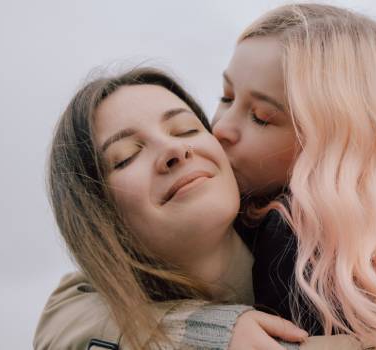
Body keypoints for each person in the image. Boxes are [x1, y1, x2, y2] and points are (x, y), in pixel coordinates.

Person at [36, 3, 376, 350]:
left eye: (262, 117)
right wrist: (209, 331)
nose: (218, 130)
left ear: (324, 144)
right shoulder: (191, 199)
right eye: (225, 98)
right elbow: (68, 313)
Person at [38, 67, 309, 350]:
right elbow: (62, 316)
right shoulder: (81, 306)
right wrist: (208, 331)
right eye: (126, 157)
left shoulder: (336, 242)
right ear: (98, 216)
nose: (175, 150)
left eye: (186, 130)